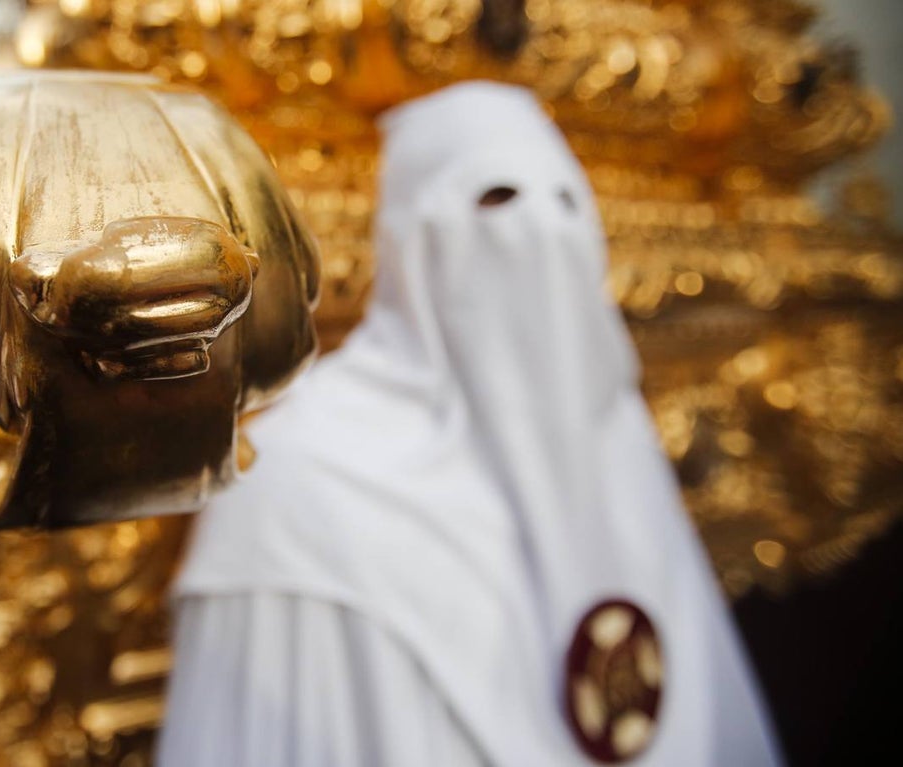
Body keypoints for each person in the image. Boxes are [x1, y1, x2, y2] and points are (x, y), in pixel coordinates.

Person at [158, 82, 781, 765]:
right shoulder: (301, 475)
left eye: (567, 203)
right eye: (496, 198)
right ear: (408, 243)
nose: (542, 232)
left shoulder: (617, 429)